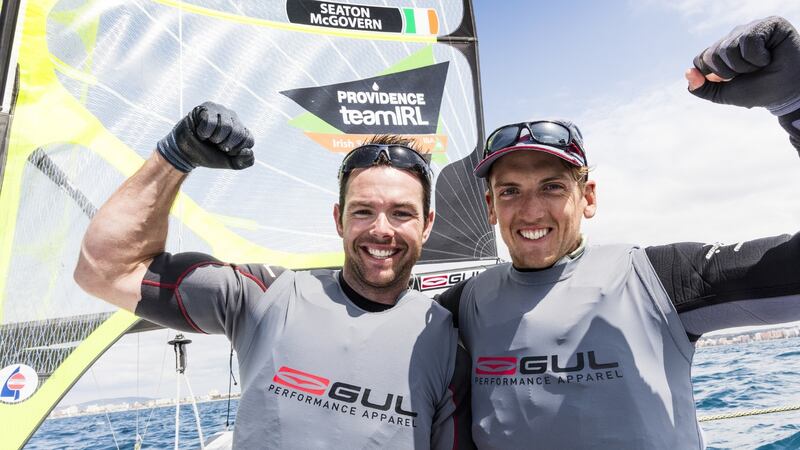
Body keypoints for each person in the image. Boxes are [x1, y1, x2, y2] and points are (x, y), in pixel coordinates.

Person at [438, 16, 800, 449]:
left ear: (588, 197)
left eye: (552, 187)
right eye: (510, 191)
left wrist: (794, 104)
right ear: (490, 208)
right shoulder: (462, 305)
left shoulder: (659, 279)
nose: (531, 211)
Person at [73, 103, 473, 449]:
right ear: (339, 219)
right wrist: (174, 158)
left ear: (426, 225)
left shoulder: (446, 343)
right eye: (363, 211)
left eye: (401, 213)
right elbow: (105, 270)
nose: (381, 229)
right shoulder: (266, 295)